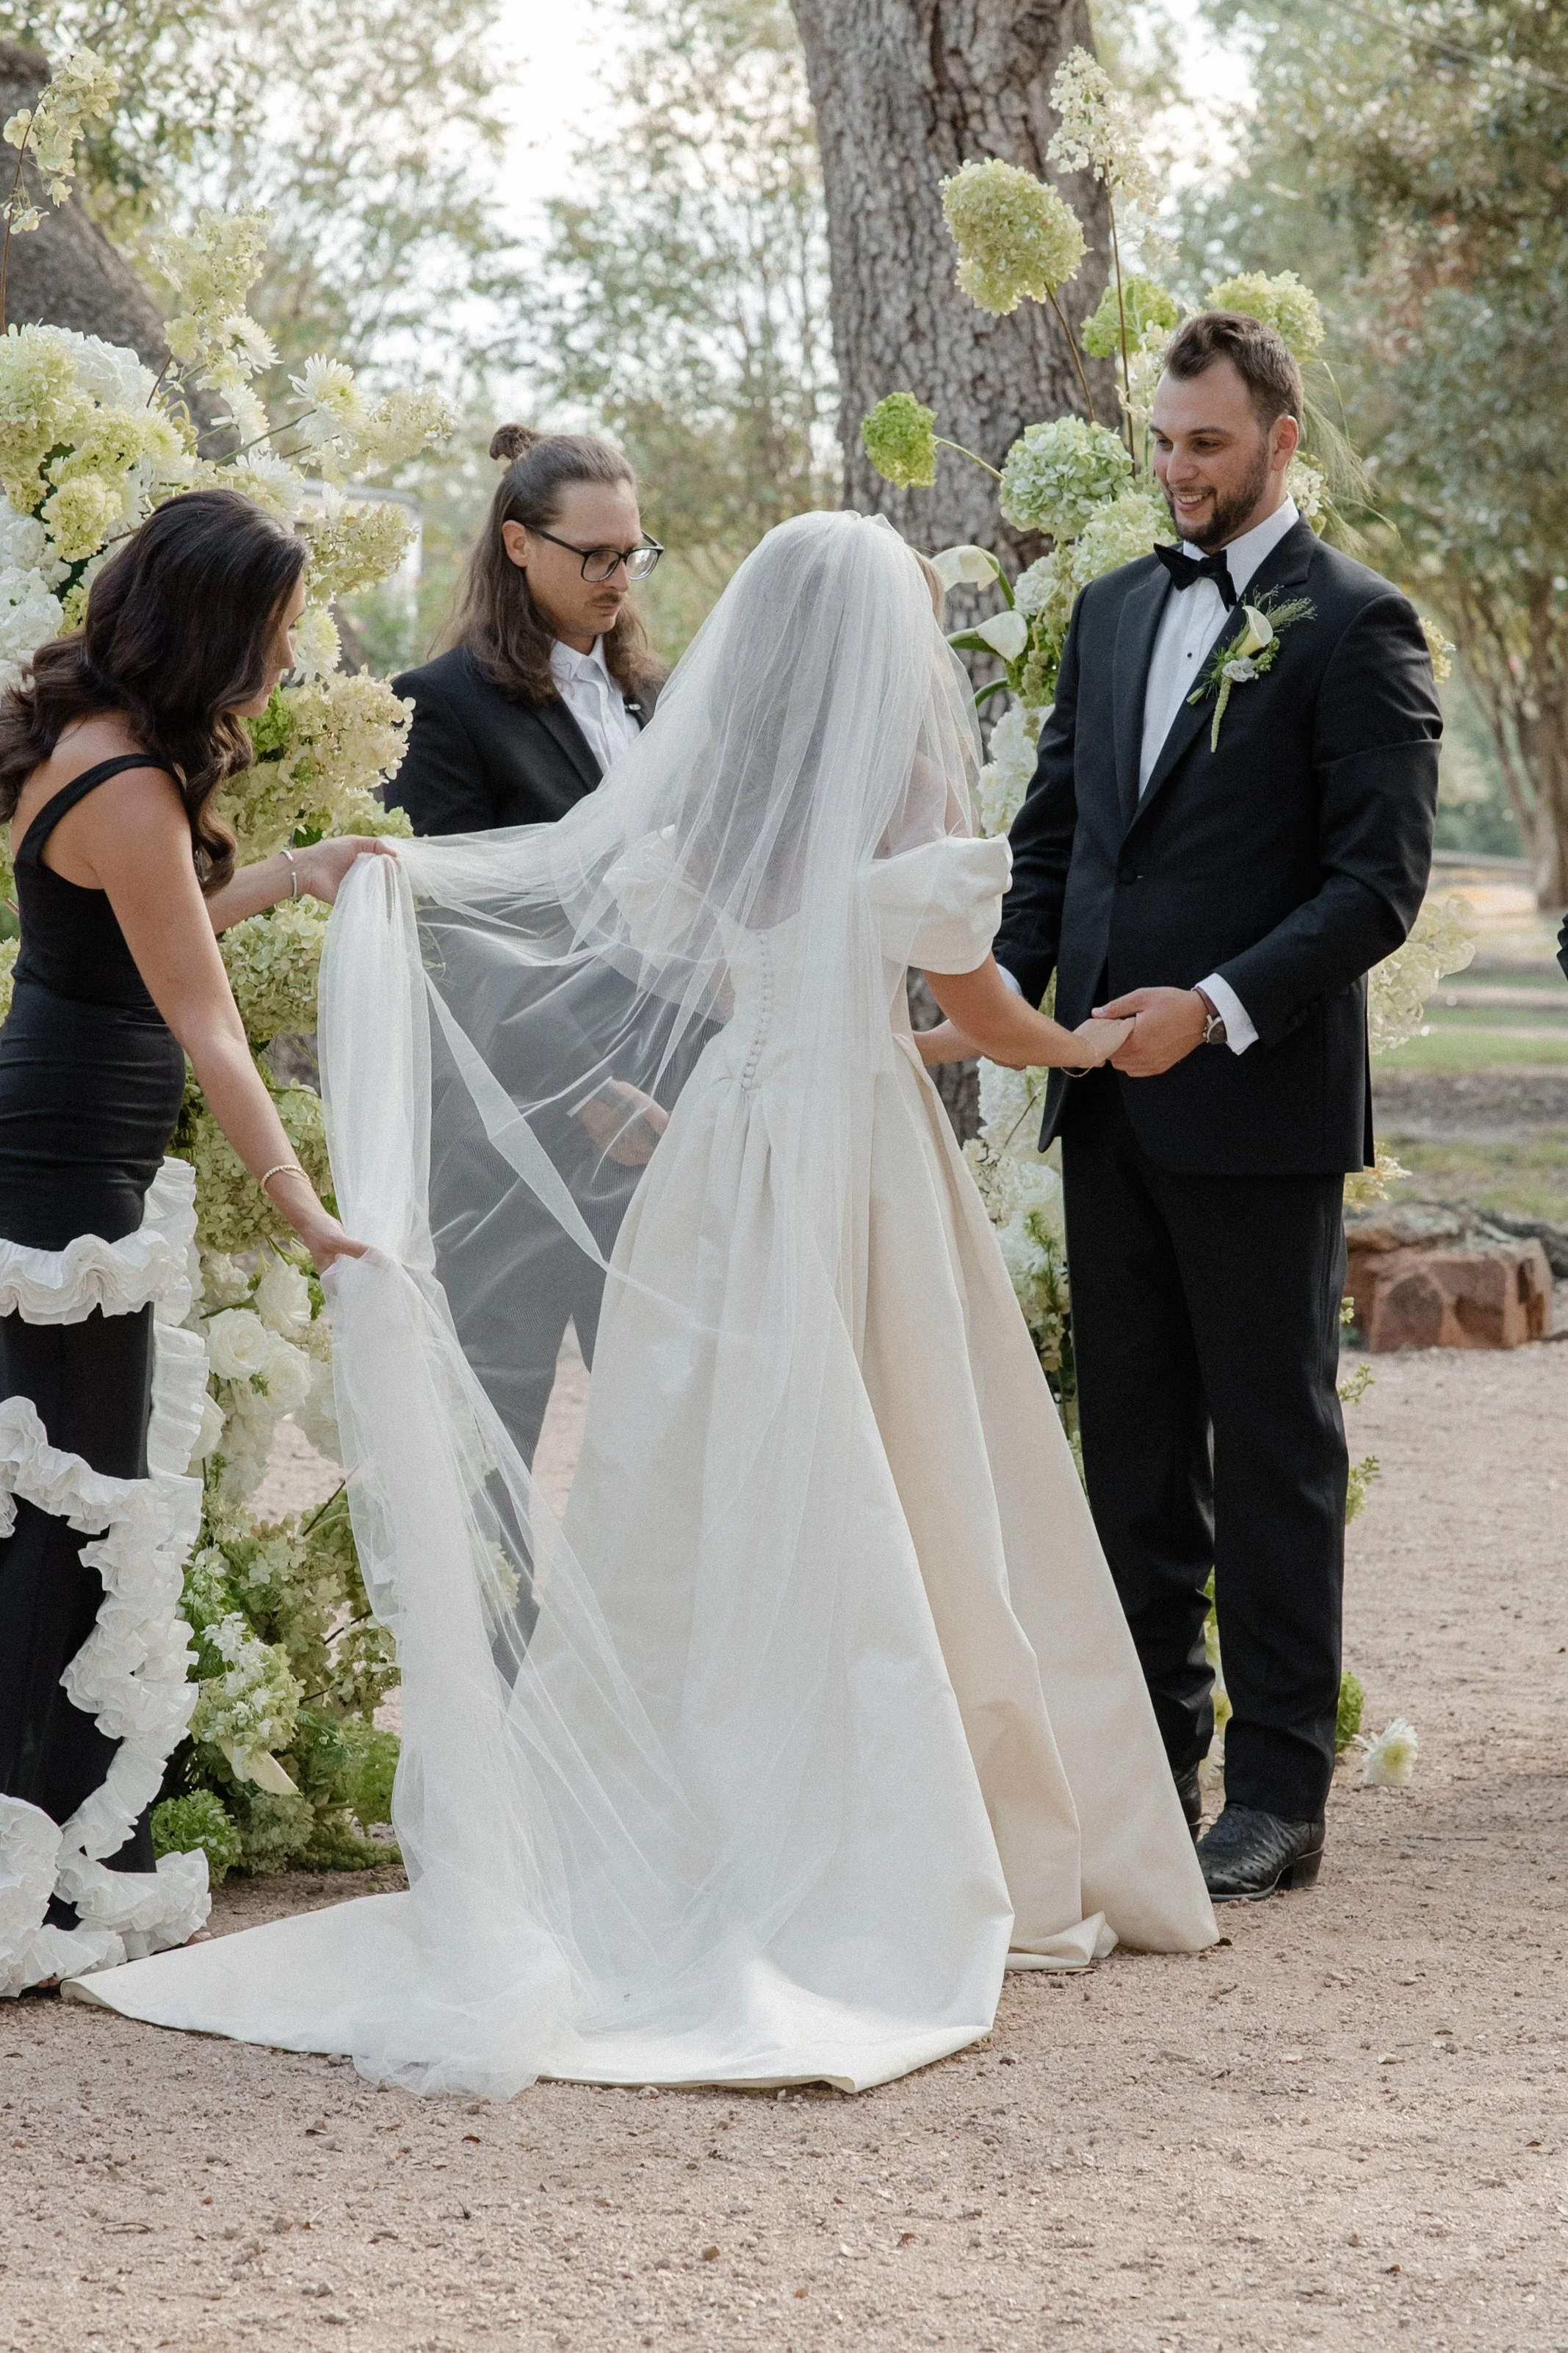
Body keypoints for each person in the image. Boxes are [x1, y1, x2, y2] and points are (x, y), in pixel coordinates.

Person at [68, 511, 1214, 2093]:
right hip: (856, 1162)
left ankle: (696, 1815)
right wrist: (1083, 1045)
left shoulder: (720, 795)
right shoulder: (907, 793)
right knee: (901, 1467)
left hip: (728, 1152)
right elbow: (980, 1009)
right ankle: (898, 1825)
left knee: (703, 1481)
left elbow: (700, 966)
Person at [928, 311, 1440, 1903]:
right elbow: (1056, 840)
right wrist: (993, 1013)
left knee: (1271, 1441)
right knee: (1133, 1447)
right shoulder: (1103, 613)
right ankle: (1152, 1765)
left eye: (1203, 444)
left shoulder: (1358, 625)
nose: (1175, 468)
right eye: (1162, 439)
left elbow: (1378, 883)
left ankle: (1278, 1792)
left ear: (1281, 441)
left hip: (1253, 1100)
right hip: (1097, 1095)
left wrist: (1208, 1013)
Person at [0, 488, 386, 1997]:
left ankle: (60, 1825)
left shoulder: (85, 751)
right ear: (213, 628)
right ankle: (31, 1844)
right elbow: (202, 1019)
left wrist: (292, 873)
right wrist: (302, 1199)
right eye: (277, 636)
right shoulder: (128, 785)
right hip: (64, 1181)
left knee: (74, 1491)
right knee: (71, 1499)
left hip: (68, 1153)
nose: (285, 664)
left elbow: (146, 924)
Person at [385, 425, 670, 1467]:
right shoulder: (442, 707)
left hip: (663, 1125)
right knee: (491, 1442)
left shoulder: (658, 700)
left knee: (658, 1434)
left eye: (633, 553)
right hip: (514, 1139)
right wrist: (585, 1085)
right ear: (516, 545)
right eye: (594, 556)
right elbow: (454, 938)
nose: (619, 578)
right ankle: (500, 1640)